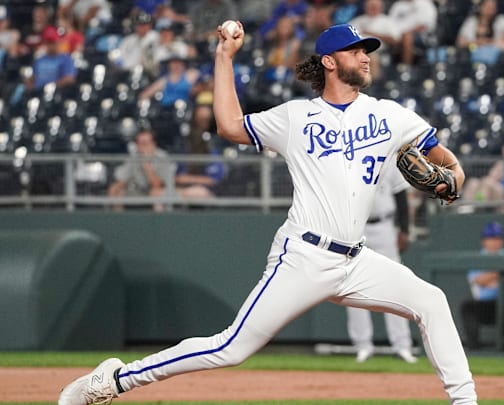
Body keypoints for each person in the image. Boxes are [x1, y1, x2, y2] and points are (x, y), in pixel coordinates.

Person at [58, 22, 476, 405]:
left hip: (356, 259)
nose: (366, 56)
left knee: (431, 301)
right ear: (330, 62)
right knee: (230, 348)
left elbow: (448, 162)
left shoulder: (390, 115)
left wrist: (451, 181)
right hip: (304, 256)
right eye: (355, 50)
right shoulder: (296, 117)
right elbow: (229, 124)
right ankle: (113, 382)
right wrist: (225, 57)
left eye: (367, 50)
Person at [347, 165, 417, 364]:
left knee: (394, 285)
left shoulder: (389, 159)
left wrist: (404, 229)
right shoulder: (348, 159)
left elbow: (401, 197)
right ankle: (362, 345)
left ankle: (402, 345)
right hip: (356, 226)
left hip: (385, 226)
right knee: (353, 286)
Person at [460, 221, 504, 351]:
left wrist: (491, 276)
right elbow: (479, 280)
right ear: (484, 241)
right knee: (467, 306)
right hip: (484, 305)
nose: (495, 242)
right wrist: (500, 274)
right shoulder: (478, 258)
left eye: (497, 238)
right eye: (491, 238)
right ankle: (474, 349)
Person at [107, 129, 177, 212]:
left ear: (153, 144)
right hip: (138, 191)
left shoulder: (162, 158)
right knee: (115, 190)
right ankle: (116, 222)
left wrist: (146, 164)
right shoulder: (134, 157)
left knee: (155, 193)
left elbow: (157, 185)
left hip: (162, 192)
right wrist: (117, 187)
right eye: (139, 143)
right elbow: (123, 179)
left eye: (144, 143)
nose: (141, 147)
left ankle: (161, 223)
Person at [387, 0, 437, 65]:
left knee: (407, 37)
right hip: (397, 35)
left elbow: (424, 26)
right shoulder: (397, 5)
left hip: (421, 36)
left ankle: (406, 68)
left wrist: (405, 34)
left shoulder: (425, 3)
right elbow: (389, 24)